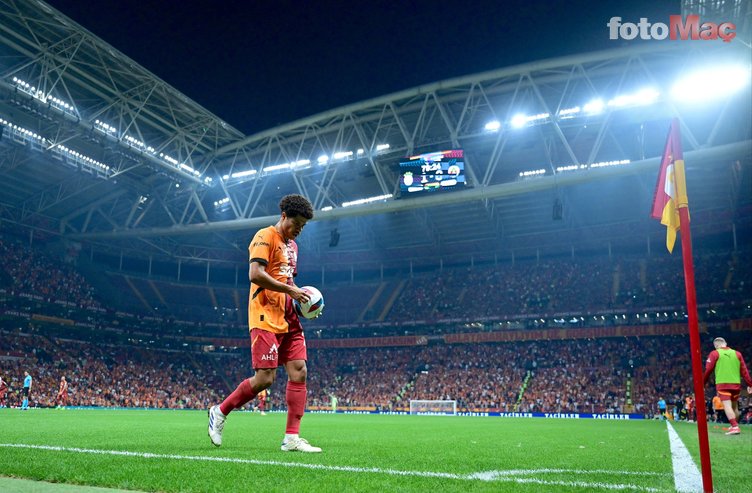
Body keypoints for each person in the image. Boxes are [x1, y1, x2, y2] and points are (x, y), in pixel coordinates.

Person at [208, 194, 321, 452]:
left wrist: (303, 304)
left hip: (288, 315)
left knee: (300, 371)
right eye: (296, 224)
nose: (299, 229)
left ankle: (291, 438)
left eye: (303, 226)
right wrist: (290, 290)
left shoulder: (293, 248)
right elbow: (255, 274)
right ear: (284, 216)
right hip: (264, 315)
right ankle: (220, 411)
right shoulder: (264, 236)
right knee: (265, 379)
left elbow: (288, 281)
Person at [703, 337, 752, 435]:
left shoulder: (714, 353)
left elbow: (708, 370)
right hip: (736, 384)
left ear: (716, 346)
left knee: (727, 406)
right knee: (734, 407)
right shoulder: (737, 354)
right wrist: (750, 384)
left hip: (723, 384)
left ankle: (735, 427)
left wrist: (703, 383)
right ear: (725, 343)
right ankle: (734, 424)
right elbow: (744, 370)